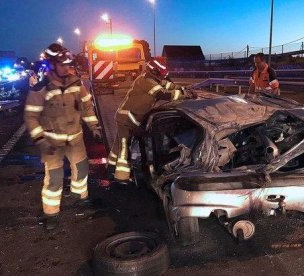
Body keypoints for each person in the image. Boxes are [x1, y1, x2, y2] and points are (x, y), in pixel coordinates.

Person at [24, 43, 102, 230]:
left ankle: (80, 199)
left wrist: (94, 126)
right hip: (52, 142)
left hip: (75, 138)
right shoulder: (41, 88)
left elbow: (86, 107)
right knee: (54, 178)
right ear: (51, 64)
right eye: (62, 65)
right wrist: (40, 140)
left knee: (81, 170)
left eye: (68, 64)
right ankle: (51, 214)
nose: (66, 68)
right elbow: (31, 116)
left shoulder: (76, 83)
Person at [106, 58, 184, 186]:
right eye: (162, 73)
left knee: (118, 145)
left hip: (127, 117)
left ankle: (110, 170)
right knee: (125, 148)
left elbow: (167, 84)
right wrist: (183, 95)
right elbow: (162, 94)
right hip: (127, 118)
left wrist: (181, 88)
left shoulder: (152, 79)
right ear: (155, 71)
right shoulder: (146, 81)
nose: (164, 76)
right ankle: (121, 178)